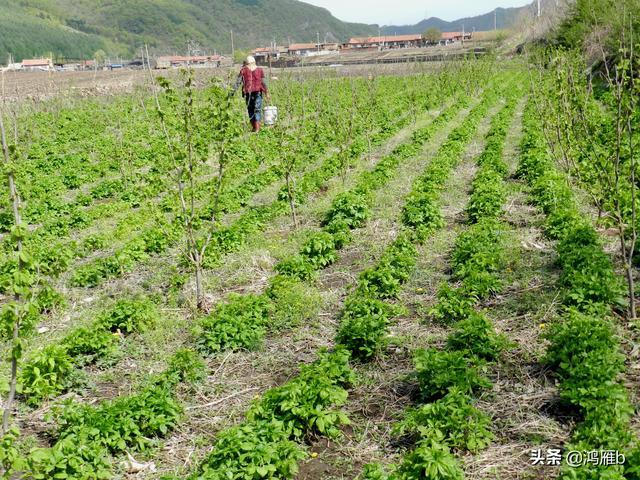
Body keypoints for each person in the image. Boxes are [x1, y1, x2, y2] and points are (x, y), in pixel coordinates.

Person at [232, 56, 269, 132]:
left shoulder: (243, 71)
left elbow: (237, 83)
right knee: (255, 110)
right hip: (255, 93)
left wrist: (232, 92)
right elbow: (264, 83)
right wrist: (267, 93)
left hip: (250, 93)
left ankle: (255, 128)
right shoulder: (259, 70)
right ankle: (256, 128)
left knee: (251, 110)